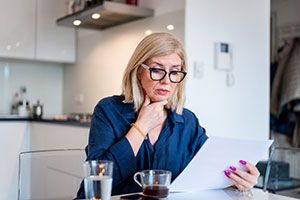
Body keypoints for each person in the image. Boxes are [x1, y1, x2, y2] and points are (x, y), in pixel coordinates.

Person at [76, 32, 259, 198]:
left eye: (175, 72)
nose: (166, 80)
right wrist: (141, 127)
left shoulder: (187, 121)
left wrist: (238, 182)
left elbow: (208, 176)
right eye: (157, 70)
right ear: (138, 71)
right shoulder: (109, 110)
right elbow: (98, 180)